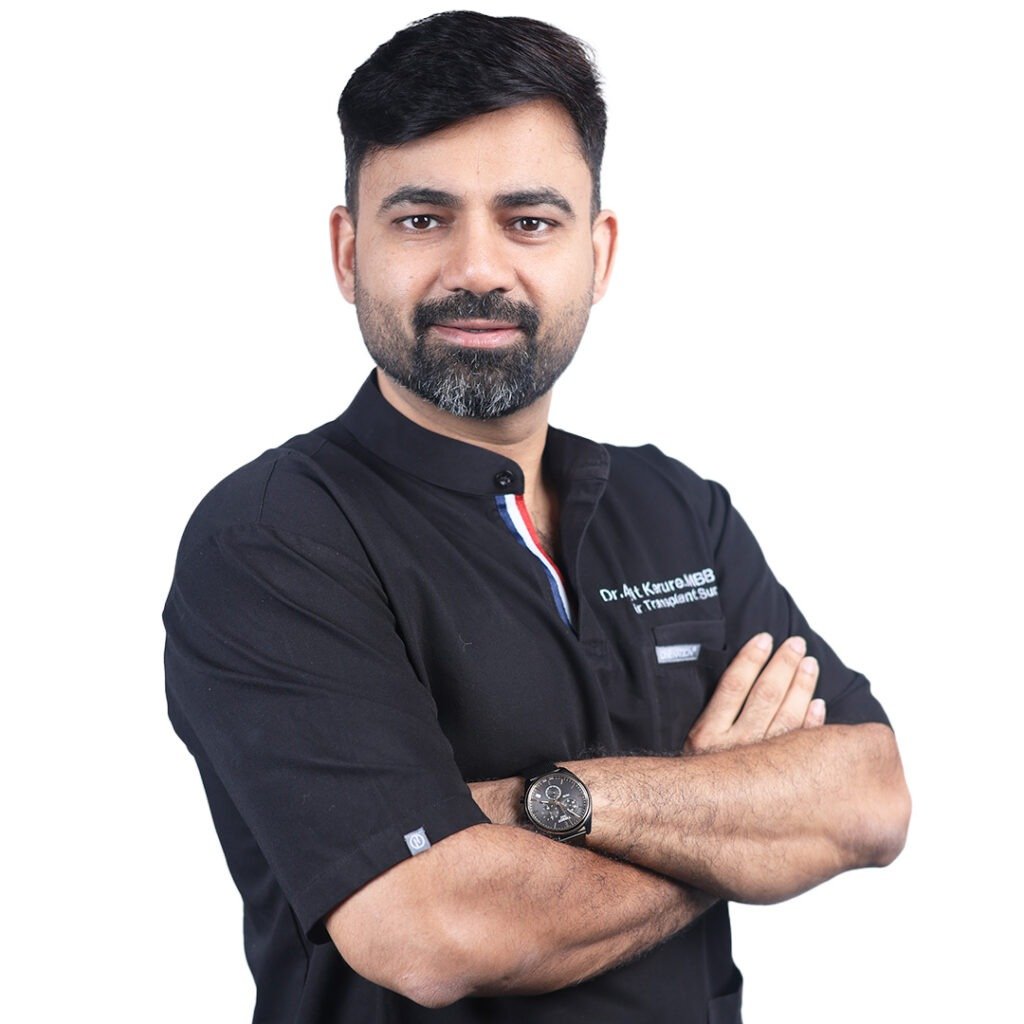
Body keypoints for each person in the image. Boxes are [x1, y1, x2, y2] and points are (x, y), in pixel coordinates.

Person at [163, 11, 910, 1023]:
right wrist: (735, 812)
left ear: (598, 254)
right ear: (347, 252)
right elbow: (434, 931)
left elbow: (870, 795)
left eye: (529, 222)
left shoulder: (677, 509)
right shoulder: (272, 539)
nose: (478, 269)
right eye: (421, 220)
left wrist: (538, 804)